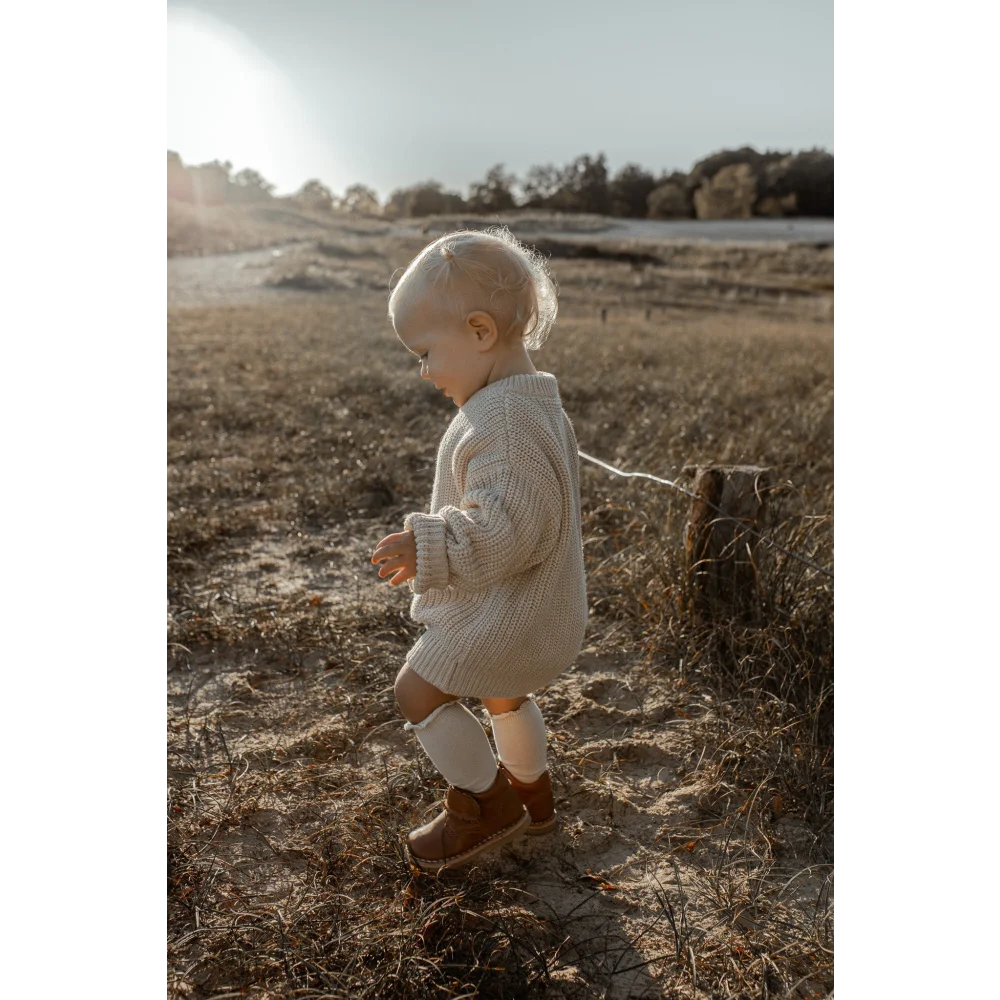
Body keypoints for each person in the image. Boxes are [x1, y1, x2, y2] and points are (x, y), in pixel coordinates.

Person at [371, 227, 588, 872]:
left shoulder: (507, 423)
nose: (425, 370)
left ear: (480, 332)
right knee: (502, 698)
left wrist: (429, 544)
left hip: (514, 613)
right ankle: (533, 796)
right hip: (531, 608)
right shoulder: (523, 404)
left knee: (415, 693)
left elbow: (508, 529)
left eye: (426, 351)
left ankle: (487, 805)